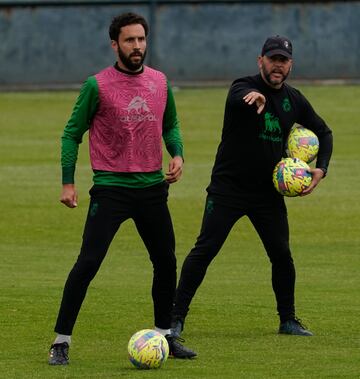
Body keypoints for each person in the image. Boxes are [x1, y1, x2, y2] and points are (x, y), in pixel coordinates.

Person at [48, 12, 196, 365]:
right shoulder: (96, 85)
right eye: (130, 40)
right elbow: (71, 133)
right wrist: (68, 182)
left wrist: (177, 154)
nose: (137, 46)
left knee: (165, 261)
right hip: (111, 189)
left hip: (152, 189)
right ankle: (61, 341)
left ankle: (164, 336)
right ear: (114, 44)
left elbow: (170, 124)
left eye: (141, 39)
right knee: (88, 263)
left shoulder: (160, 82)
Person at [171, 35, 333, 343]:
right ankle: (175, 318)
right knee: (204, 251)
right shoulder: (242, 86)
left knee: (281, 255)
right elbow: (237, 98)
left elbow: (324, 133)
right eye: (272, 59)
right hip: (228, 189)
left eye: (283, 61)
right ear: (260, 61)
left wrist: (320, 169)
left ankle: (288, 320)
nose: (277, 66)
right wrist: (255, 98)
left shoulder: (294, 99)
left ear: (290, 65)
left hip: (267, 194)